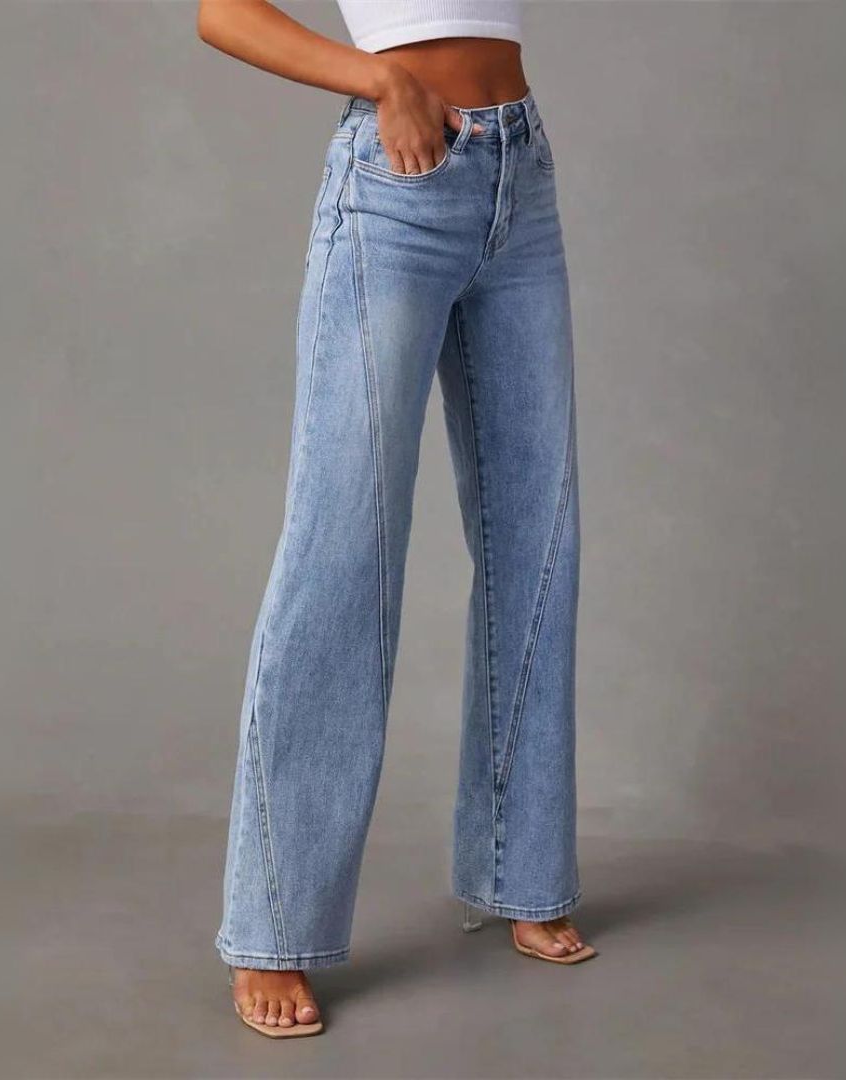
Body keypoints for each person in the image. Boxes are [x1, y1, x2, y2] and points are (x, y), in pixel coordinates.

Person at [197, 0, 594, 1039]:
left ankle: (523, 868)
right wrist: (380, 80)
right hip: (396, 183)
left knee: (537, 534)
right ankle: (274, 925)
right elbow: (220, 12)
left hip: (521, 171)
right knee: (345, 547)